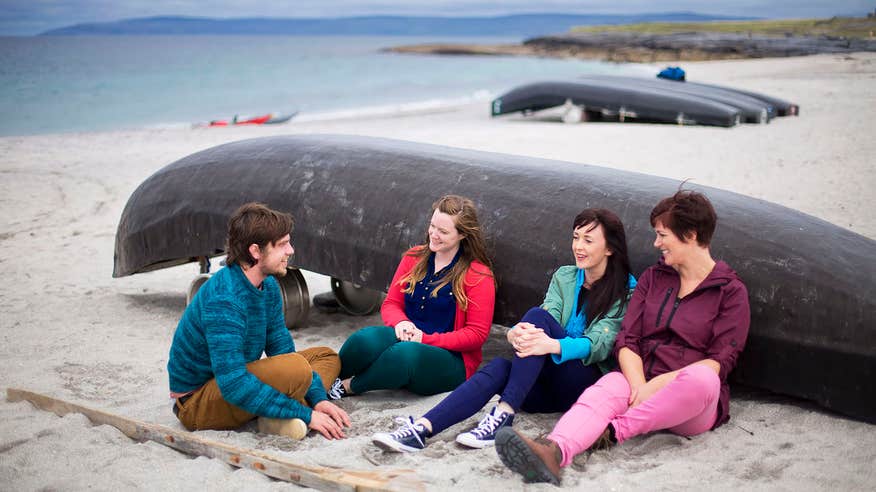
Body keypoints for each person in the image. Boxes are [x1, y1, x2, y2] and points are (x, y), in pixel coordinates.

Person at [495, 190, 750, 485]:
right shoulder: (653, 279)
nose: (656, 243)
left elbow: (719, 363)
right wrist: (639, 384)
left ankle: (613, 432)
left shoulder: (730, 292)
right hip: (637, 379)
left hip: (689, 401)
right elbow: (627, 339)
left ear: (690, 235)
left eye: (662, 235)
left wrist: (653, 387)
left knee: (703, 380)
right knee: (601, 392)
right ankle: (553, 451)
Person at [371, 208, 637, 453]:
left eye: (588, 241)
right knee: (499, 365)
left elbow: (599, 344)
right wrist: (514, 333)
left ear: (610, 248)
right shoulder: (565, 276)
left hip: (581, 382)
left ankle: (503, 414)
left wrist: (553, 346)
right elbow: (548, 317)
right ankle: (422, 429)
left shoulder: (627, 291)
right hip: (541, 386)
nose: (578, 246)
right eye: (576, 237)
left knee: (535, 318)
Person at [167, 202, 350, 440]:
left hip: (237, 380)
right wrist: (307, 414)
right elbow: (232, 383)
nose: (290, 250)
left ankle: (273, 412)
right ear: (255, 251)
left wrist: (319, 400)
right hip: (198, 402)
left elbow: (283, 350)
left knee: (325, 357)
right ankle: (283, 410)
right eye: (283, 245)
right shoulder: (224, 299)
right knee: (297, 369)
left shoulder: (269, 286)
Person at [327, 195, 495, 402]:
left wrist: (425, 339)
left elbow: (476, 334)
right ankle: (326, 381)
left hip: (451, 359)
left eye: (443, 231)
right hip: (408, 336)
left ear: (462, 235)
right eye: (432, 226)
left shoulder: (478, 275)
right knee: (364, 340)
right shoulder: (414, 257)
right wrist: (401, 322)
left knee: (403, 354)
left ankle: (349, 386)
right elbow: (391, 303)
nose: (433, 234)